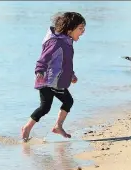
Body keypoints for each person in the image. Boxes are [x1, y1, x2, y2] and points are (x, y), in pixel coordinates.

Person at [21, 12, 86, 142]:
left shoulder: (67, 42)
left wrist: (71, 74)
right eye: (80, 28)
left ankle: (57, 126)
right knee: (46, 107)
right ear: (69, 29)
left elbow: (64, 62)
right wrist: (39, 71)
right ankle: (27, 128)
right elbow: (44, 58)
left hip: (56, 81)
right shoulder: (56, 43)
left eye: (83, 28)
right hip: (48, 80)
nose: (83, 31)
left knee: (63, 102)